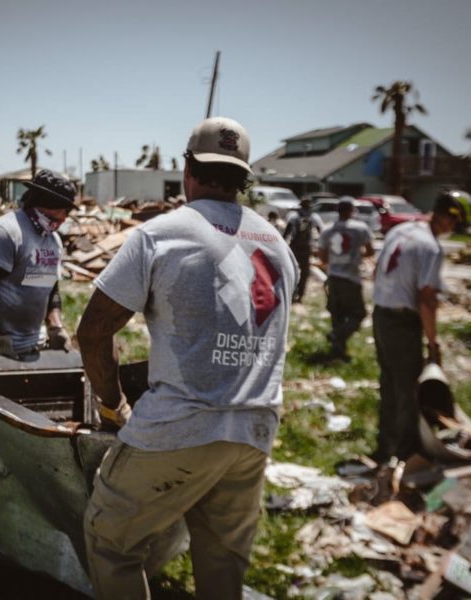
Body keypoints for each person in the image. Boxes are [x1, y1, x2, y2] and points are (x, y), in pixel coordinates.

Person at [77, 116, 298, 599]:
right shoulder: (279, 247)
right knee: (222, 566)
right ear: (243, 178)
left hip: (180, 428)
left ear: (187, 169)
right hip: (254, 432)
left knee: (111, 541)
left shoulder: (160, 234)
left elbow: (93, 333)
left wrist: (113, 404)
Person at [372, 192, 463, 462]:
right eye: (454, 223)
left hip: (381, 315)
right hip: (402, 321)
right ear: (446, 218)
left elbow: (379, 267)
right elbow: (426, 299)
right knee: (408, 387)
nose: (453, 229)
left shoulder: (402, 229)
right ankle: (406, 451)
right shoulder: (431, 248)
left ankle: (384, 444)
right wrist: (433, 342)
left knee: (388, 381)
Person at [0, 169, 75, 361]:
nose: (62, 220)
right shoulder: (6, 233)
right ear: (40, 202)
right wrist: (1, 335)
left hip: (30, 344)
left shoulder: (53, 240)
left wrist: (55, 327)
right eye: (56, 215)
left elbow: (49, 285)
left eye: (65, 214)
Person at [318, 199, 375, 361]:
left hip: (333, 277)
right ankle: (337, 337)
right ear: (352, 211)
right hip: (350, 278)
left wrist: (337, 258)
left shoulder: (327, 230)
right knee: (358, 314)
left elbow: (322, 257)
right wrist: (354, 256)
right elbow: (370, 252)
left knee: (337, 316)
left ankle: (337, 349)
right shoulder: (360, 228)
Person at [283, 197, 322, 302]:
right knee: (304, 271)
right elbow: (319, 232)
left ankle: (292, 292)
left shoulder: (293, 217)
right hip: (306, 247)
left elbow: (286, 233)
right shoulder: (314, 217)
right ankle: (300, 294)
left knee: (292, 270)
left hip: (294, 247)